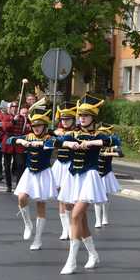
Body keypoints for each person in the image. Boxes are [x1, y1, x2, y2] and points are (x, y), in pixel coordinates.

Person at [52, 95, 114, 275]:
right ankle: (93, 254)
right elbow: (53, 141)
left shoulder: (98, 134)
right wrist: (67, 142)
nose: (82, 118)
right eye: (80, 115)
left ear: (93, 117)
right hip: (74, 177)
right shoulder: (72, 133)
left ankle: (71, 260)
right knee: (81, 220)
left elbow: (114, 141)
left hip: (90, 177)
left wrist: (92, 142)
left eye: (86, 116)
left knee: (76, 215)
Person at [7, 99, 56, 251]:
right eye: (34, 125)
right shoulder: (28, 136)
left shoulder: (49, 138)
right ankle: (28, 224)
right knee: (21, 197)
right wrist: (22, 142)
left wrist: (38, 144)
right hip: (30, 172)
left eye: (39, 125)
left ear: (45, 126)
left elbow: (53, 144)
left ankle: (38, 239)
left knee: (41, 205)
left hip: (43, 173)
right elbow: (10, 140)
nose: (36, 128)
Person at [52, 102, 77, 240]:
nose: (65, 121)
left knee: (70, 199)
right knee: (61, 198)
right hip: (60, 166)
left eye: (67, 119)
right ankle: (65, 229)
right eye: (62, 119)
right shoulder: (57, 132)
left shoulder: (77, 132)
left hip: (71, 166)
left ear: (73, 119)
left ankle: (73, 227)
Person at [94, 124, 122, 228]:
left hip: (106, 173)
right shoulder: (96, 144)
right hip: (96, 173)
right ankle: (97, 220)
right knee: (97, 197)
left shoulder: (111, 146)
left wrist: (109, 154)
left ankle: (105, 217)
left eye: (104, 133)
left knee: (105, 197)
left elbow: (120, 153)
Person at [0, 101, 28, 192]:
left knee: (20, 165)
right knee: (7, 166)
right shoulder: (6, 117)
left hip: (19, 144)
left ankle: (19, 185)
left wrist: (28, 127)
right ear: (10, 108)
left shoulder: (23, 118)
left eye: (16, 107)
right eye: (13, 106)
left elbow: (27, 129)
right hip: (8, 143)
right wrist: (13, 121)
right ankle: (9, 185)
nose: (15, 108)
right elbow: (5, 128)